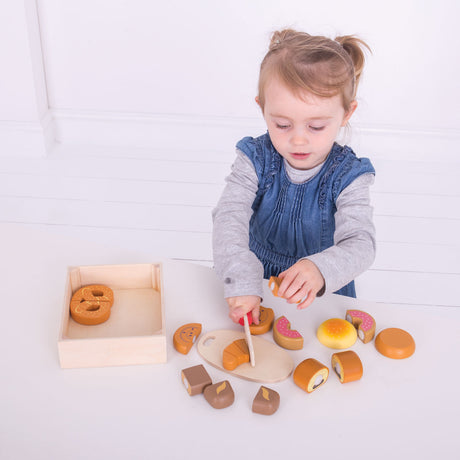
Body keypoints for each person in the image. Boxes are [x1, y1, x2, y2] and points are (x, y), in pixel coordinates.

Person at [212, 29, 375, 325]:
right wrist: (240, 273)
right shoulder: (254, 158)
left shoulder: (349, 175)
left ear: (346, 113)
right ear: (262, 106)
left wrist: (321, 269)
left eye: (316, 127)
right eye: (283, 124)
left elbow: (361, 243)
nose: (298, 141)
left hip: (322, 290)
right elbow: (229, 215)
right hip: (254, 281)